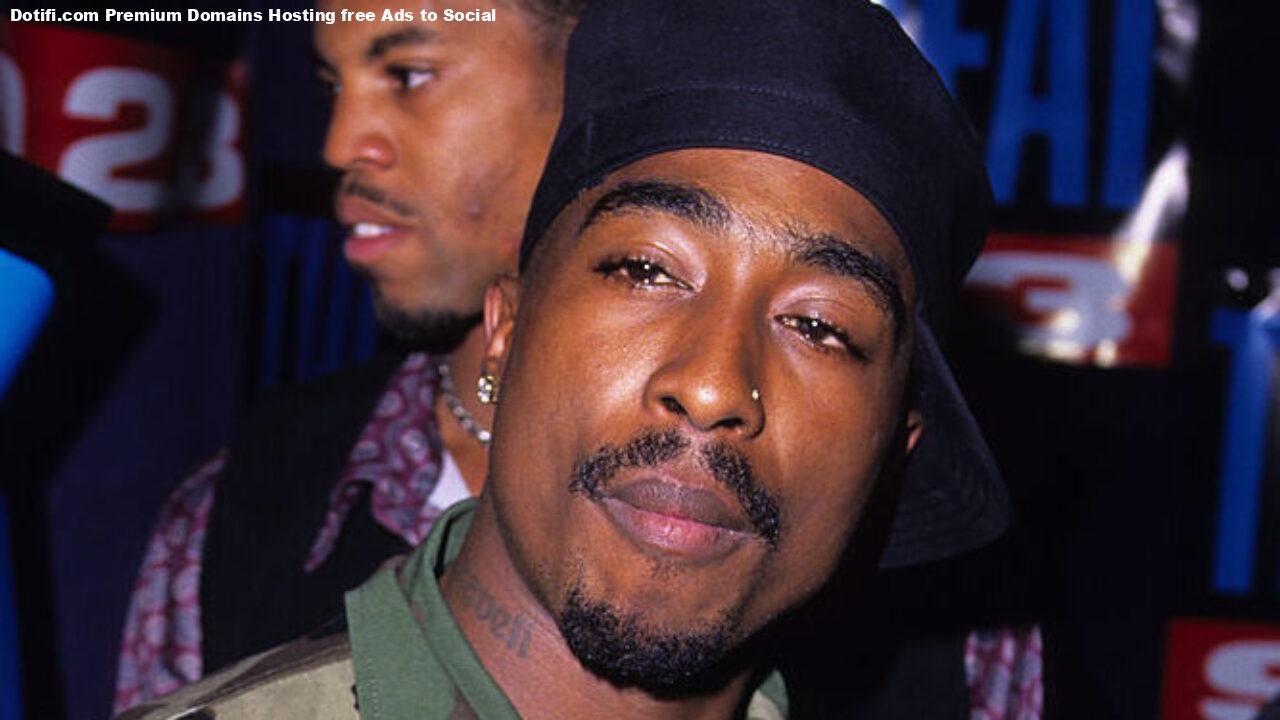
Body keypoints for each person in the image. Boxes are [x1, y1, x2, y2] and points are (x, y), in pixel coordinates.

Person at [118, 0, 1026, 717]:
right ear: (505, 327)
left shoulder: (968, 639)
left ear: (895, 452)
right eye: (647, 270)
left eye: (821, 326)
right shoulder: (241, 517)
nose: (714, 384)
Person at [112, 0, 584, 710]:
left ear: (599, 85)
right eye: (334, 86)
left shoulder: (714, 507)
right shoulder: (231, 510)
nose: (338, 147)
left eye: (408, 75)